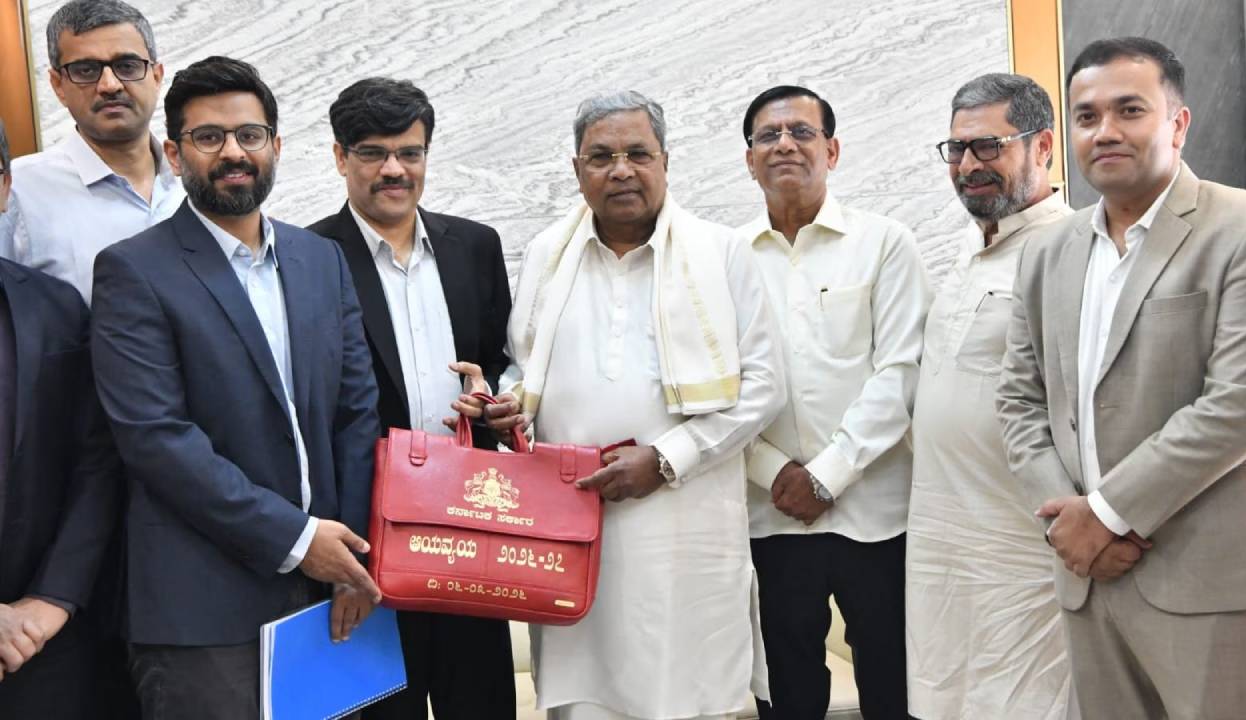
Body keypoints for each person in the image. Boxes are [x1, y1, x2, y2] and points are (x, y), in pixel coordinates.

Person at [90, 56, 382, 718]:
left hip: (329, 595)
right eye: (209, 137)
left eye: (249, 135)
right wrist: (300, 541)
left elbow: (355, 414)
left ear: (275, 146)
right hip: (204, 609)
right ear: (174, 154)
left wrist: (354, 556)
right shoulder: (133, 272)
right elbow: (158, 440)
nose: (233, 153)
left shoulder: (321, 260)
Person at [997, 37, 1246, 719]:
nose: (1105, 131)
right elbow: (1019, 400)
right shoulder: (1046, 252)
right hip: (1086, 575)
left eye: (1129, 110)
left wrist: (1104, 515)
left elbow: (1237, 409)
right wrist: (1066, 522)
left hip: (1206, 577)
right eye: (1087, 116)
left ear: (1177, 124)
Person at [492, 90, 785, 720]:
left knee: (691, 693)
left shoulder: (721, 252)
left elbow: (764, 386)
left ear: (665, 162)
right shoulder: (547, 254)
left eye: (637, 154)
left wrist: (667, 459)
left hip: (686, 529)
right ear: (577, 170)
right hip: (574, 526)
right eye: (601, 157)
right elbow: (524, 368)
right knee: (585, 700)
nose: (620, 170)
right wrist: (505, 405)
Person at [309, 77, 517, 720]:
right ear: (340, 157)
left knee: (480, 701)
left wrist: (495, 397)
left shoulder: (475, 246)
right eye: (373, 153)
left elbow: (502, 361)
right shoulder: (308, 256)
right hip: (368, 534)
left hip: (470, 528)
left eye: (410, 152)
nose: (394, 169)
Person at [737, 85, 929, 720]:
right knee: (786, 693)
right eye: (768, 136)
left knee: (894, 688)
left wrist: (827, 474)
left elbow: (902, 371)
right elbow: (715, 388)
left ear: (833, 150)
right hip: (770, 513)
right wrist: (775, 473)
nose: (785, 145)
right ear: (749, 160)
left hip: (875, 512)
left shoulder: (885, 242)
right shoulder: (725, 258)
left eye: (802, 132)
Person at [906, 73, 1074, 720]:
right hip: (942, 553)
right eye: (957, 149)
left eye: (989, 146)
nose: (969, 164)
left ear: (1043, 146)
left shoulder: (1072, 251)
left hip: (1023, 561)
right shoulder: (965, 251)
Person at [0, 120, 122, 718]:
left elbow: (96, 461)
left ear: (4, 188)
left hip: (43, 639)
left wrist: (51, 599)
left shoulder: (56, 306)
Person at [0, 0, 183, 301]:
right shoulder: (17, 191)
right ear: (58, 85)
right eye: (86, 70)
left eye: (127, 66)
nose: (110, 85)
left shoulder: (196, 182)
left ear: (156, 76)